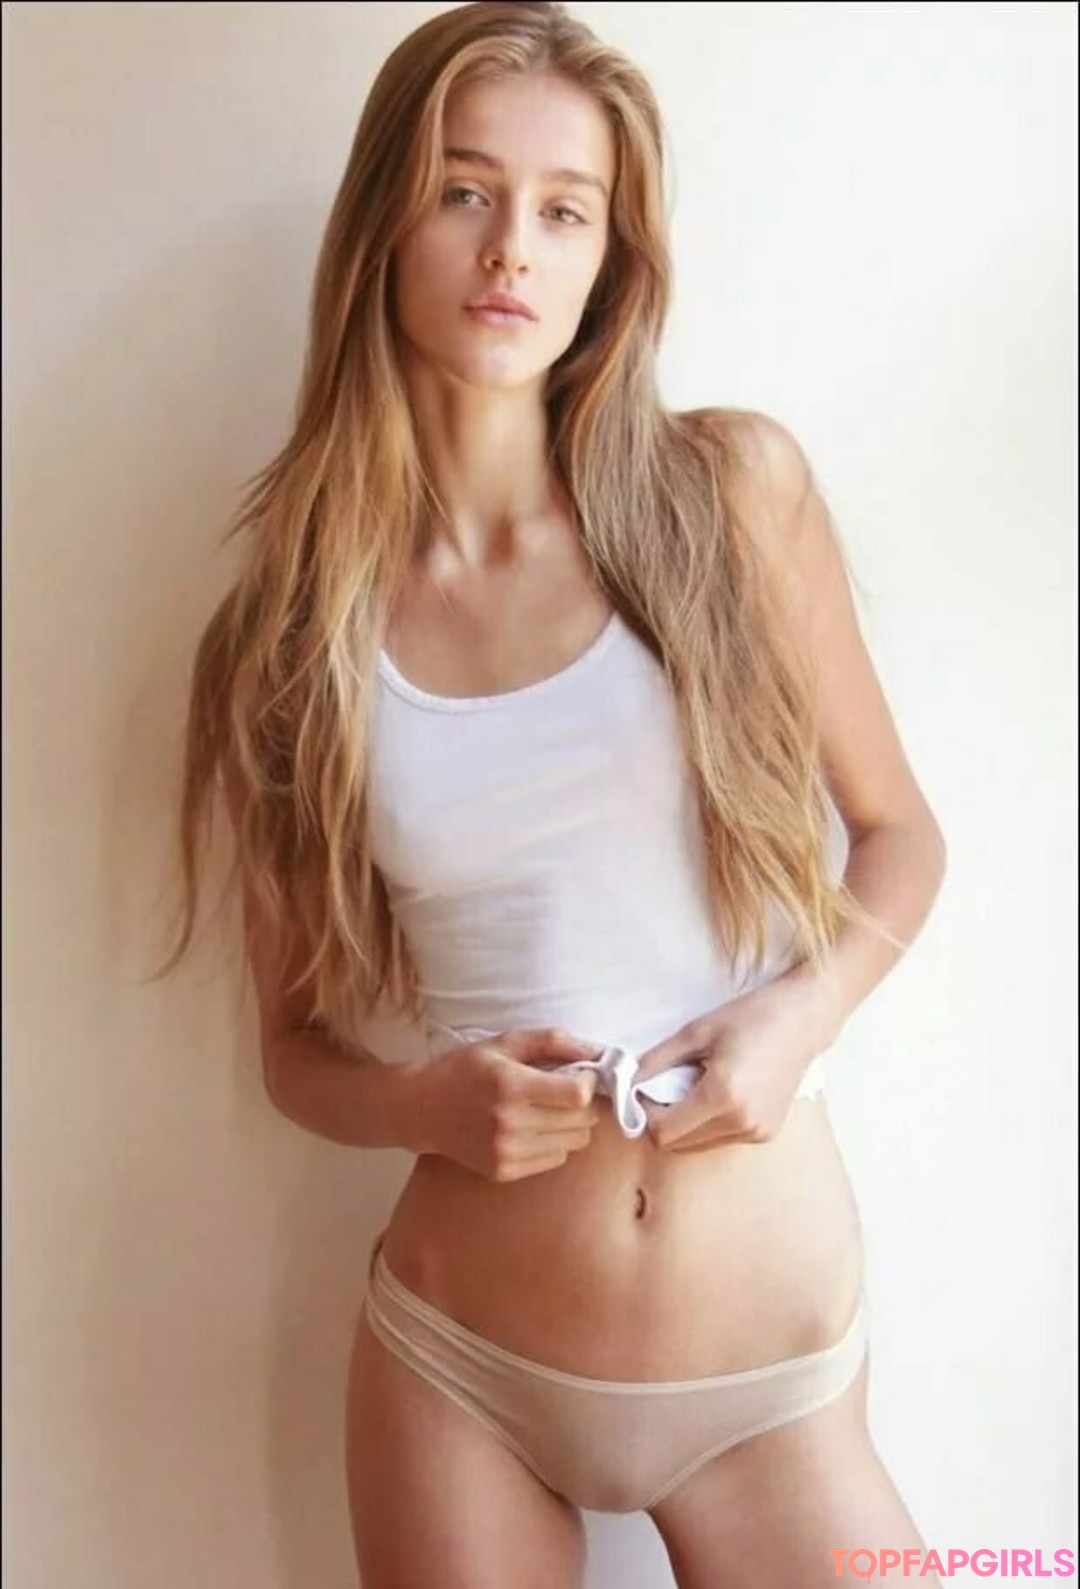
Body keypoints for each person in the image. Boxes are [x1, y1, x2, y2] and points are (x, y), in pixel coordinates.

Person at [158, 3, 949, 1584]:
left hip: (769, 1388)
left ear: (610, 260)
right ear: (385, 222)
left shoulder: (731, 496)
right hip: (460, 1367)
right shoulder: (292, 636)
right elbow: (293, 1048)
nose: (512, 246)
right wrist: (424, 1104)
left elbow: (902, 838)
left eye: (565, 209)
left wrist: (796, 1021)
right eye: (464, 190)